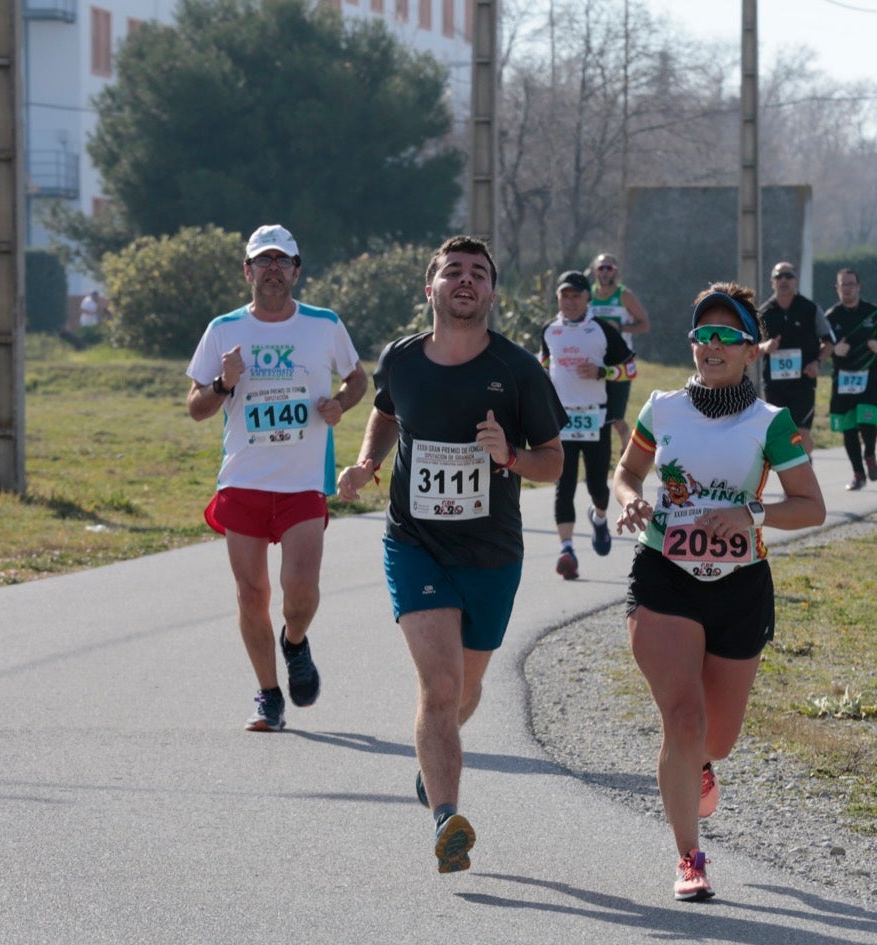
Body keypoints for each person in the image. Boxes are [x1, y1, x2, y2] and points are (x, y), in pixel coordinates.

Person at [336, 235, 565, 875]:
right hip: (415, 544)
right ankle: (448, 820)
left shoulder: (520, 371)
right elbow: (386, 412)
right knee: (439, 687)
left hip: (492, 552)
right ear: (430, 288)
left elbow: (553, 460)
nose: (466, 280)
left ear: (492, 292)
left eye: (479, 273)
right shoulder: (402, 360)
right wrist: (365, 463)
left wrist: (510, 457)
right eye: (453, 271)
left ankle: (431, 766)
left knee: (463, 690)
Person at [612, 282, 826, 901]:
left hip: (740, 587)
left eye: (727, 336)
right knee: (682, 717)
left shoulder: (771, 424)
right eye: (702, 335)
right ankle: (689, 859)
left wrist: (751, 514)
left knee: (717, 738)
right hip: (664, 576)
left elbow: (811, 507)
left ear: (751, 350)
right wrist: (631, 502)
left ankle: (699, 764)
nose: (712, 346)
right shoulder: (662, 408)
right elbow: (626, 473)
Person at [185, 224, 368, 732]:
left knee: (301, 590)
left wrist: (340, 405)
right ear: (247, 271)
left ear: (295, 270)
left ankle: (295, 643)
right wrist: (224, 383)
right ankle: (268, 695)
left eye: (280, 261)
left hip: (303, 478)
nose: (271, 269)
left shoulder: (323, 324)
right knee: (251, 594)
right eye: (261, 261)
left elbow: (358, 378)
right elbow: (197, 408)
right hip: (243, 478)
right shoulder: (223, 329)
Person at [540, 270, 634, 580]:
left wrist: (602, 373)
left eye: (575, 296)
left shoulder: (602, 330)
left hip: (595, 417)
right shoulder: (549, 331)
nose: (569, 301)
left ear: (587, 299)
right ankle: (566, 549)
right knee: (563, 485)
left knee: (597, 485)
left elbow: (630, 368)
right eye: (564, 296)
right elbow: (542, 367)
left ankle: (599, 517)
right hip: (561, 420)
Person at [825, 268, 877, 489]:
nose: (847, 288)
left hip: (869, 376)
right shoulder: (831, 316)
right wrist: (834, 349)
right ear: (837, 288)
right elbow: (821, 344)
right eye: (843, 285)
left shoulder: (873, 312)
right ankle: (858, 474)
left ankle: (870, 455)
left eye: (851, 284)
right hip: (843, 377)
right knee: (848, 428)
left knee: (867, 420)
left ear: (858, 287)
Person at [757, 261, 833, 455]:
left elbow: (829, 342)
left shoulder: (810, 309)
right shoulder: (763, 313)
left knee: (801, 432)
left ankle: (805, 473)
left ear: (796, 281)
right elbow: (749, 348)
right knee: (782, 435)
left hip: (803, 383)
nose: (784, 280)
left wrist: (818, 362)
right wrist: (765, 346)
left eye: (788, 276)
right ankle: (791, 479)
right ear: (772, 282)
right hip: (774, 385)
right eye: (779, 276)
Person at [588, 252, 649, 447]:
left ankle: (626, 449)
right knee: (595, 413)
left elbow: (645, 325)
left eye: (609, 268)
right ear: (595, 271)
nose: (605, 272)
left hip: (620, 364)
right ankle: (598, 453)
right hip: (596, 361)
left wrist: (620, 328)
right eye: (601, 268)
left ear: (615, 272)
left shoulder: (624, 295)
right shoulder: (587, 295)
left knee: (617, 419)